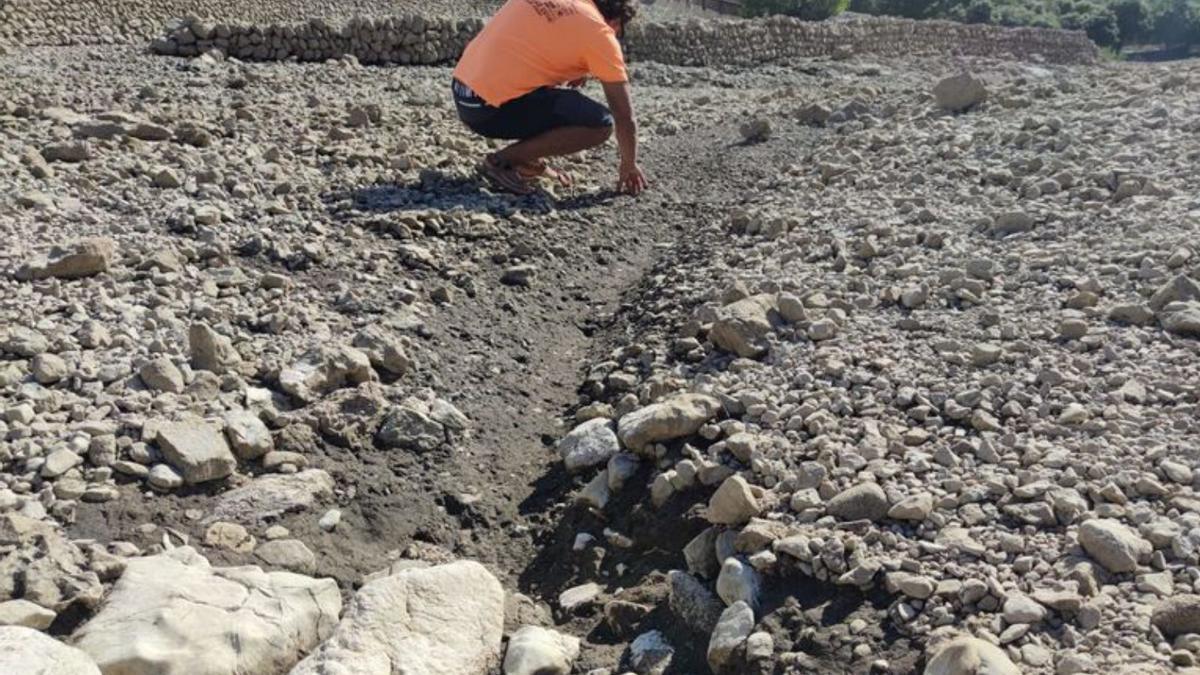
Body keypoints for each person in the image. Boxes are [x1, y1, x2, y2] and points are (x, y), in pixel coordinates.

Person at [451, 0, 648, 196]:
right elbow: (624, 115)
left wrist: (579, 65)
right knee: (601, 124)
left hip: (463, 93)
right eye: (620, 32)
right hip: (487, 111)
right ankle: (502, 161)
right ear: (616, 22)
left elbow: (529, 45)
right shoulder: (600, 33)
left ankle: (527, 160)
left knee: (556, 95)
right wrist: (629, 164)